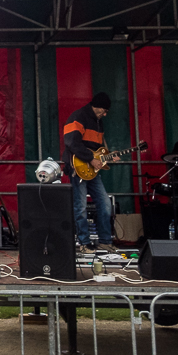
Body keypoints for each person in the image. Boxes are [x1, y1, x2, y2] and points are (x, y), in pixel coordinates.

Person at [62, 92, 117, 254]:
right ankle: (84, 243)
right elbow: (72, 142)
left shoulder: (98, 122)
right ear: (97, 106)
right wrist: (90, 159)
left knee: (105, 204)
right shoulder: (78, 116)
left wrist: (108, 157)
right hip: (78, 167)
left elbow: (97, 150)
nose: (105, 114)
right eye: (104, 111)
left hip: (92, 169)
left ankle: (105, 241)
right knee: (80, 206)